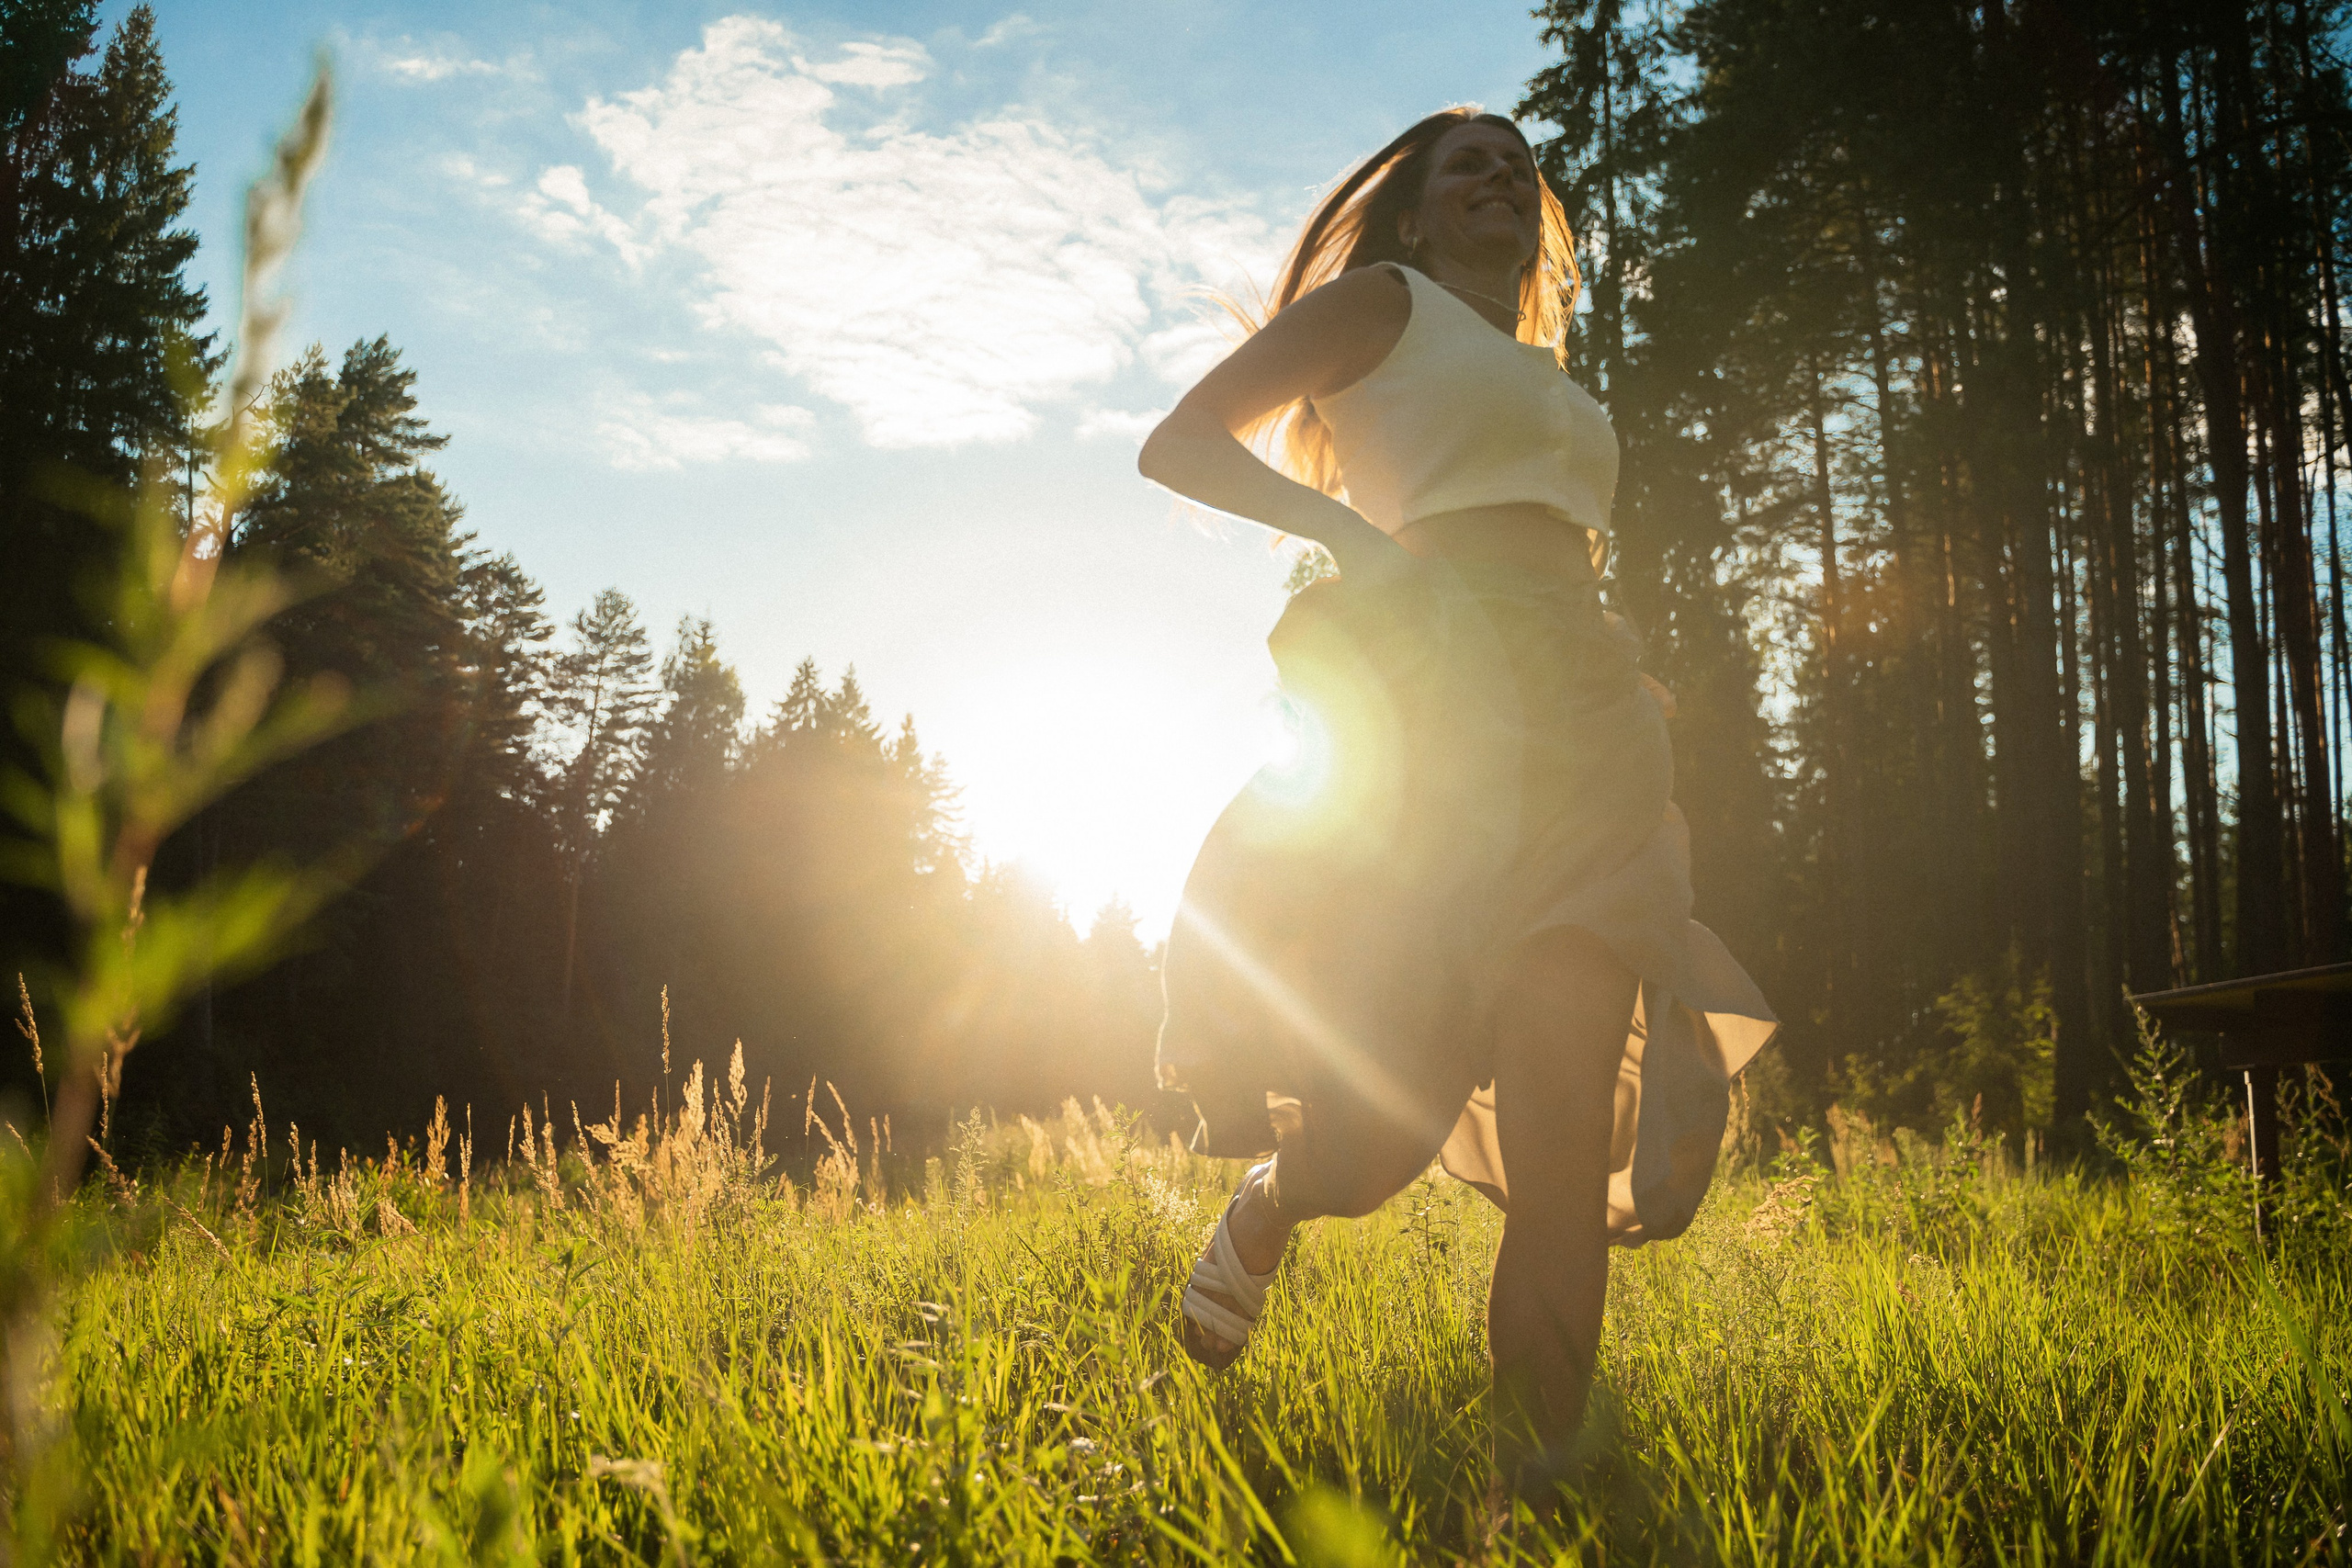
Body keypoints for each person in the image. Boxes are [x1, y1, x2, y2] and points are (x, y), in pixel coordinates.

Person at [1136, 106, 1777, 1505]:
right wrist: (1353, 539)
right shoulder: (1387, 304)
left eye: (1518, 163)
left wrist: (1620, 667)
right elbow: (1179, 445)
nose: (1501, 175)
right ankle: (1273, 1202)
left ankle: (1531, 1495)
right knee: (1377, 1144)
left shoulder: (1548, 372)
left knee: (1560, 1154)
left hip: (1592, 734)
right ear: (1418, 214)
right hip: (1433, 723)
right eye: (1464, 165)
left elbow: (1553, 543)